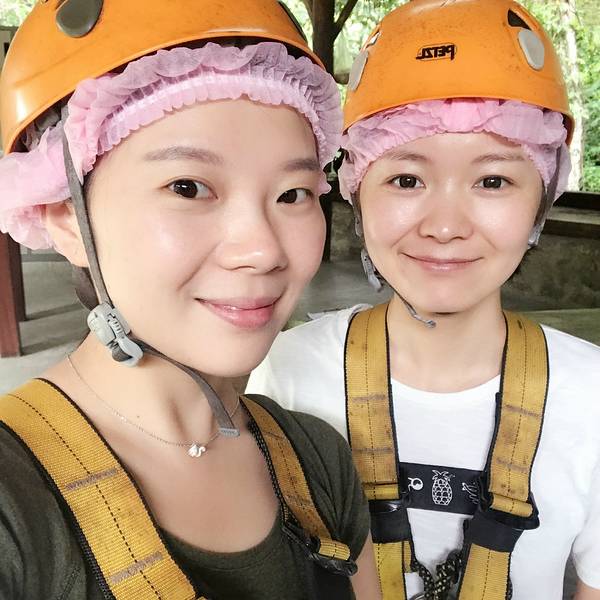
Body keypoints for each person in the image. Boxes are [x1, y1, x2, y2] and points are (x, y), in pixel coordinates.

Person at [0, 1, 380, 598]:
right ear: (66, 217)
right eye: (188, 187)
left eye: (293, 193)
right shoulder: (14, 506)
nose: (263, 250)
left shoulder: (318, 462)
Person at [247, 0, 600, 598]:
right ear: (357, 193)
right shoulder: (282, 376)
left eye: (493, 181)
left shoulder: (592, 397)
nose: (445, 226)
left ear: (541, 202)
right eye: (406, 179)